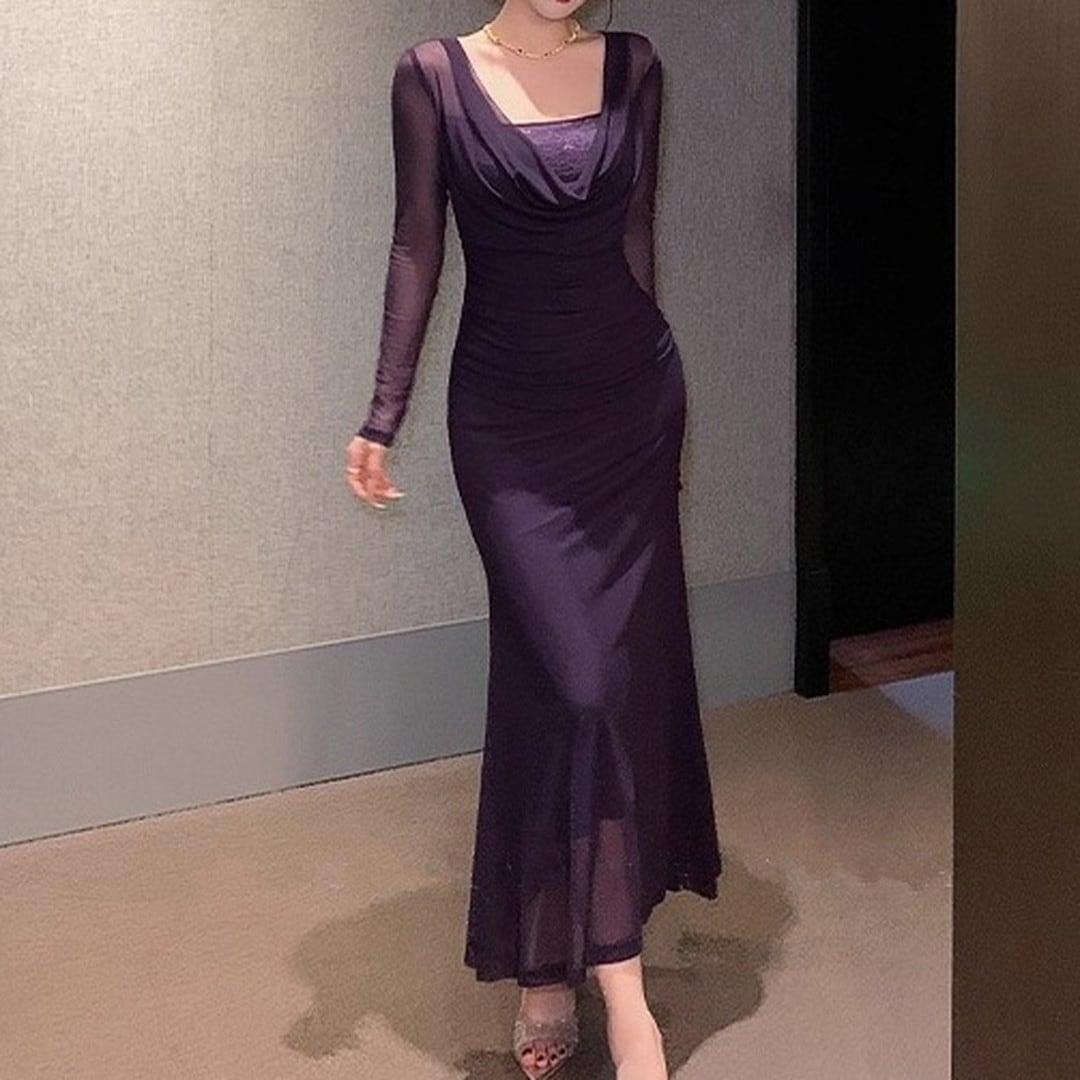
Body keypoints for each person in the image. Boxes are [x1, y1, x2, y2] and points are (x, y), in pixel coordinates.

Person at [344, 2, 723, 1077]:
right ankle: (627, 1001)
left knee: (565, 691)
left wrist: (662, 417)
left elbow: (636, 233)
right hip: (508, 427)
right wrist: (382, 413)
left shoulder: (634, 66)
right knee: (579, 683)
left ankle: (550, 965)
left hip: (630, 409)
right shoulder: (432, 75)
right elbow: (417, 243)